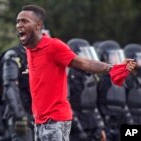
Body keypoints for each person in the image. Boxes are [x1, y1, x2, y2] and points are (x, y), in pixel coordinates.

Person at [15, 4, 136, 141]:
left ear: (38, 25)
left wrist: (112, 68)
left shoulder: (53, 46)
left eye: (25, 21)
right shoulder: (30, 49)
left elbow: (84, 63)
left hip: (55, 120)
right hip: (40, 121)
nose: (19, 25)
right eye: (18, 21)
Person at [67, 38, 106, 141]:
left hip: (91, 125)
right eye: (84, 54)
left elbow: (93, 105)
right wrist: (78, 131)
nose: (88, 58)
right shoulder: (68, 76)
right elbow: (67, 105)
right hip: (75, 128)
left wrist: (100, 127)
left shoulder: (91, 75)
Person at [96, 40, 134, 141]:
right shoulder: (100, 79)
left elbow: (123, 104)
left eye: (118, 55)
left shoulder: (122, 78)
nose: (117, 59)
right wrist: (100, 128)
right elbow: (95, 105)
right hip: (105, 125)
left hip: (119, 124)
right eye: (113, 56)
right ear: (104, 57)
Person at [1, 44, 33, 141]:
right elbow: (9, 87)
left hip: (33, 114)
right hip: (20, 114)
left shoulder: (33, 55)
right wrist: (19, 116)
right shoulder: (13, 55)